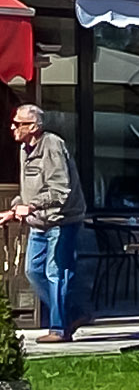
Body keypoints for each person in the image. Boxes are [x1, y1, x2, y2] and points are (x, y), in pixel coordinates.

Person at [6, 103, 83, 342]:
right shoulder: (24, 149)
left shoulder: (52, 145)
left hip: (62, 220)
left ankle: (59, 329)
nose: (13, 127)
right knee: (33, 271)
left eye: (18, 124)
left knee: (55, 272)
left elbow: (61, 189)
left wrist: (30, 206)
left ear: (34, 127)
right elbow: (30, 190)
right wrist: (14, 208)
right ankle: (74, 313)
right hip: (39, 222)